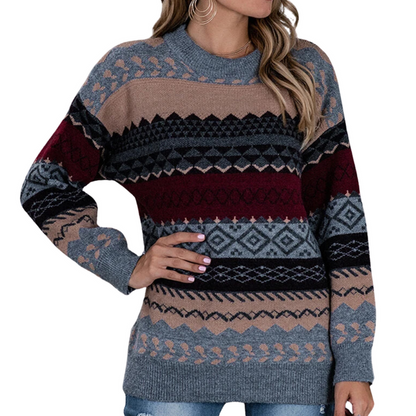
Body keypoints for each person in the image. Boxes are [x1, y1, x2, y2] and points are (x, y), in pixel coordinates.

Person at [19, 0, 376, 415]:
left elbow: (340, 221)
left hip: (298, 358)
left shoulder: (303, 69)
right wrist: (125, 265)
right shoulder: (131, 74)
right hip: (174, 353)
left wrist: (354, 360)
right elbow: (45, 184)